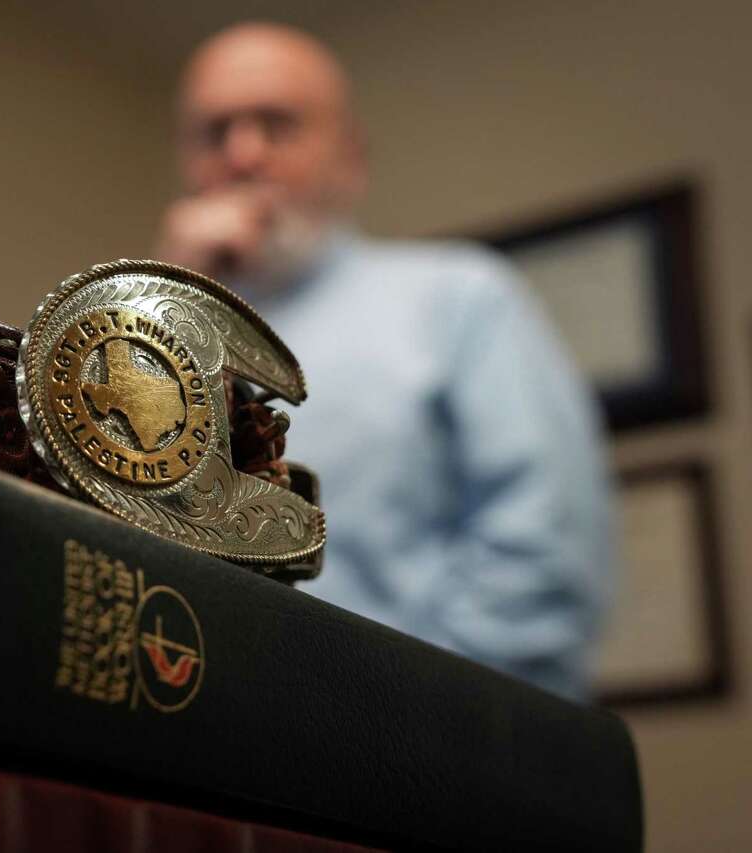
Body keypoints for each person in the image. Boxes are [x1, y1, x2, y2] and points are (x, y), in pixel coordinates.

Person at [155, 22, 615, 700]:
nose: (243, 153)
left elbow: (545, 550)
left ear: (351, 158)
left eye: (277, 124)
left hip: (423, 748)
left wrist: (400, 714)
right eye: (215, 131)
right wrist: (163, 304)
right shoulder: (150, 334)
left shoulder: (458, 298)